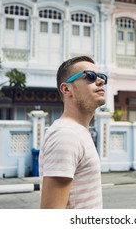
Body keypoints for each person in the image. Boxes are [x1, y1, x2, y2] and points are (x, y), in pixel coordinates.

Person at [39, 56, 107, 209]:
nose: (100, 81)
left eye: (102, 77)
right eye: (90, 76)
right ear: (66, 89)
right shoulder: (66, 135)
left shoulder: (79, 132)